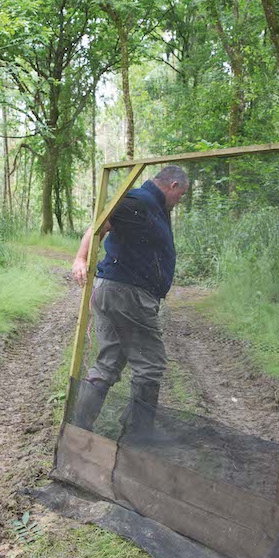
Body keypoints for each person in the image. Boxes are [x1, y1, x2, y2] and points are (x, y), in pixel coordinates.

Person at [69, 165, 190, 436]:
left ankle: (79, 427)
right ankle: (138, 436)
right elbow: (100, 224)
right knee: (150, 365)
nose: (178, 201)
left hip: (117, 292)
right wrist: (80, 257)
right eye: (180, 195)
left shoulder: (152, 205)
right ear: (172, 186)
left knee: (109, 361)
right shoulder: (141, 200)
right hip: (127, 294)